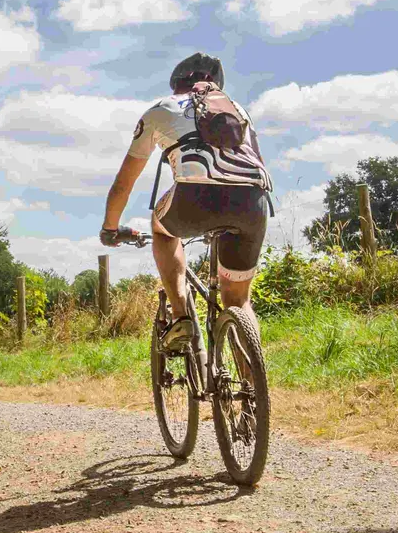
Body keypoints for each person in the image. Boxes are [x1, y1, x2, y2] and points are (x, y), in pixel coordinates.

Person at [99, 52, 272, 350]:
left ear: (177, 83)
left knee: (160, 228)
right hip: (253, 200)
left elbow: (123, 184)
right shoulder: (239, 110)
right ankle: (253, 389)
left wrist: (110, 229)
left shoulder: (161, 109)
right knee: (239, 300)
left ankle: (181, 317)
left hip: (196, 198)